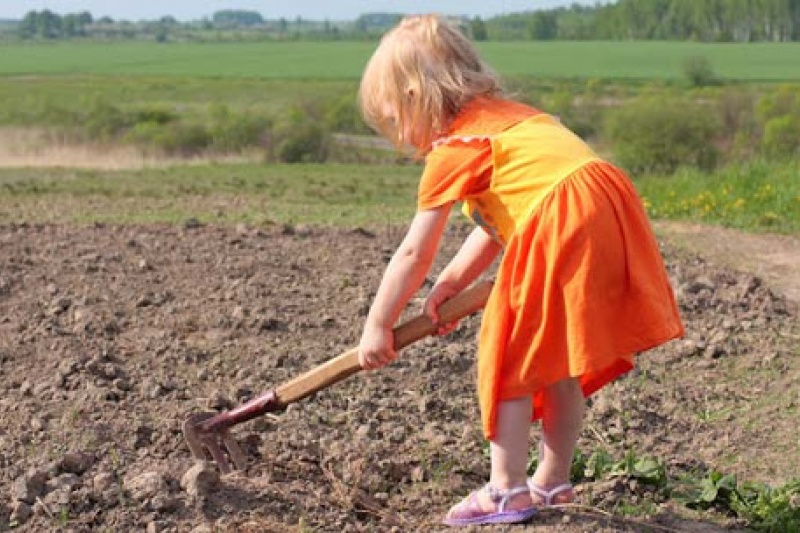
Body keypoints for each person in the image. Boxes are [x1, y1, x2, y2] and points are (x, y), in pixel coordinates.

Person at [356, 14, 684, 527]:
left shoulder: (458, 147)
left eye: (396, 118)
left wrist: (378, 324)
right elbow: (494, 225)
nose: (402, 134)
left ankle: (506, 490)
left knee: (509, 356)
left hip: (560, 217)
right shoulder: (518, 120)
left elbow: (412, 253)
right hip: (604, 202)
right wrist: (451, 285)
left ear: (418, 97)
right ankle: (552, 481)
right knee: (556, 358)